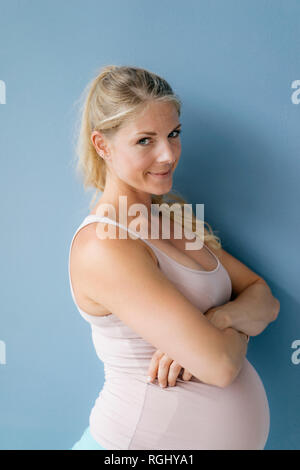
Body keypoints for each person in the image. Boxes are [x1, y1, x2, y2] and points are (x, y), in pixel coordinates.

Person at [68, 65, 279, 450]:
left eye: (173, 134)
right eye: (145, 141)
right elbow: (220, 366)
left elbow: (264, 297)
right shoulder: (104, 243)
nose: (168, 154)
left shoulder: (170, 221)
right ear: (103, 146)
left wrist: (221, 318)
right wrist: (226, 334)